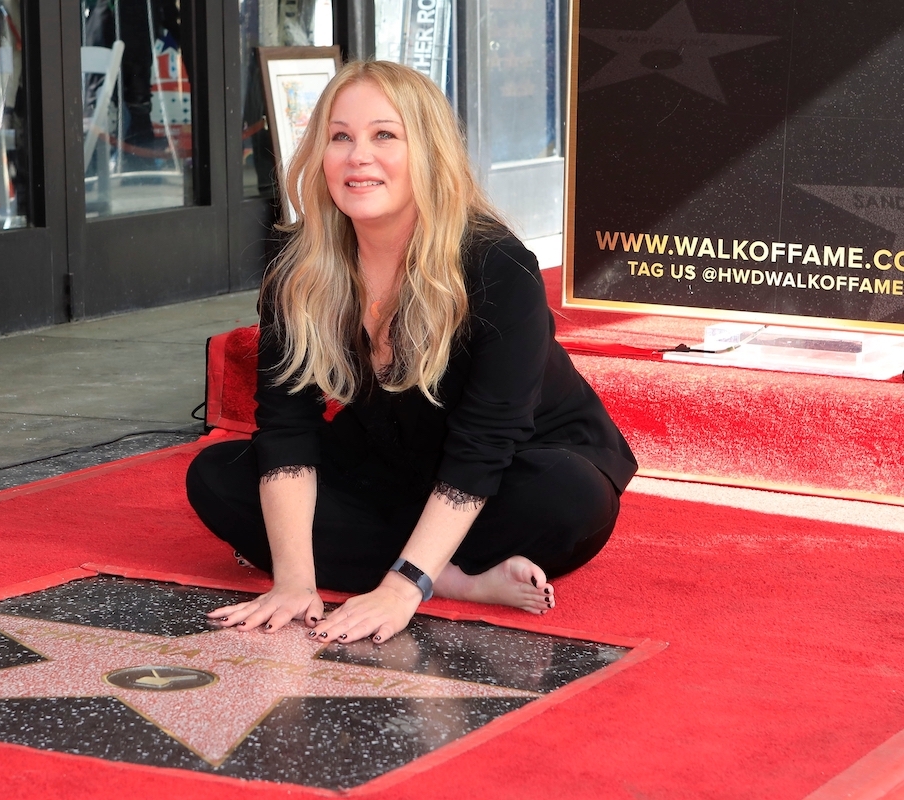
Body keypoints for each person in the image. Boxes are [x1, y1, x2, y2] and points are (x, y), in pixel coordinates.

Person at [186, 60, 637, 645]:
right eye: (340, 136)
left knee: (569, 495)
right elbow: (286, 427)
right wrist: (294, 581)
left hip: (519, 463)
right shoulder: (298, 272)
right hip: (395, 459)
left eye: (384, 135)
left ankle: (406, 570)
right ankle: (450, 576)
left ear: (428, 152)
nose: (358, 156)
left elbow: (487, 441)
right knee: (216, 478)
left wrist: (400, 593)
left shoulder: (496, 265)